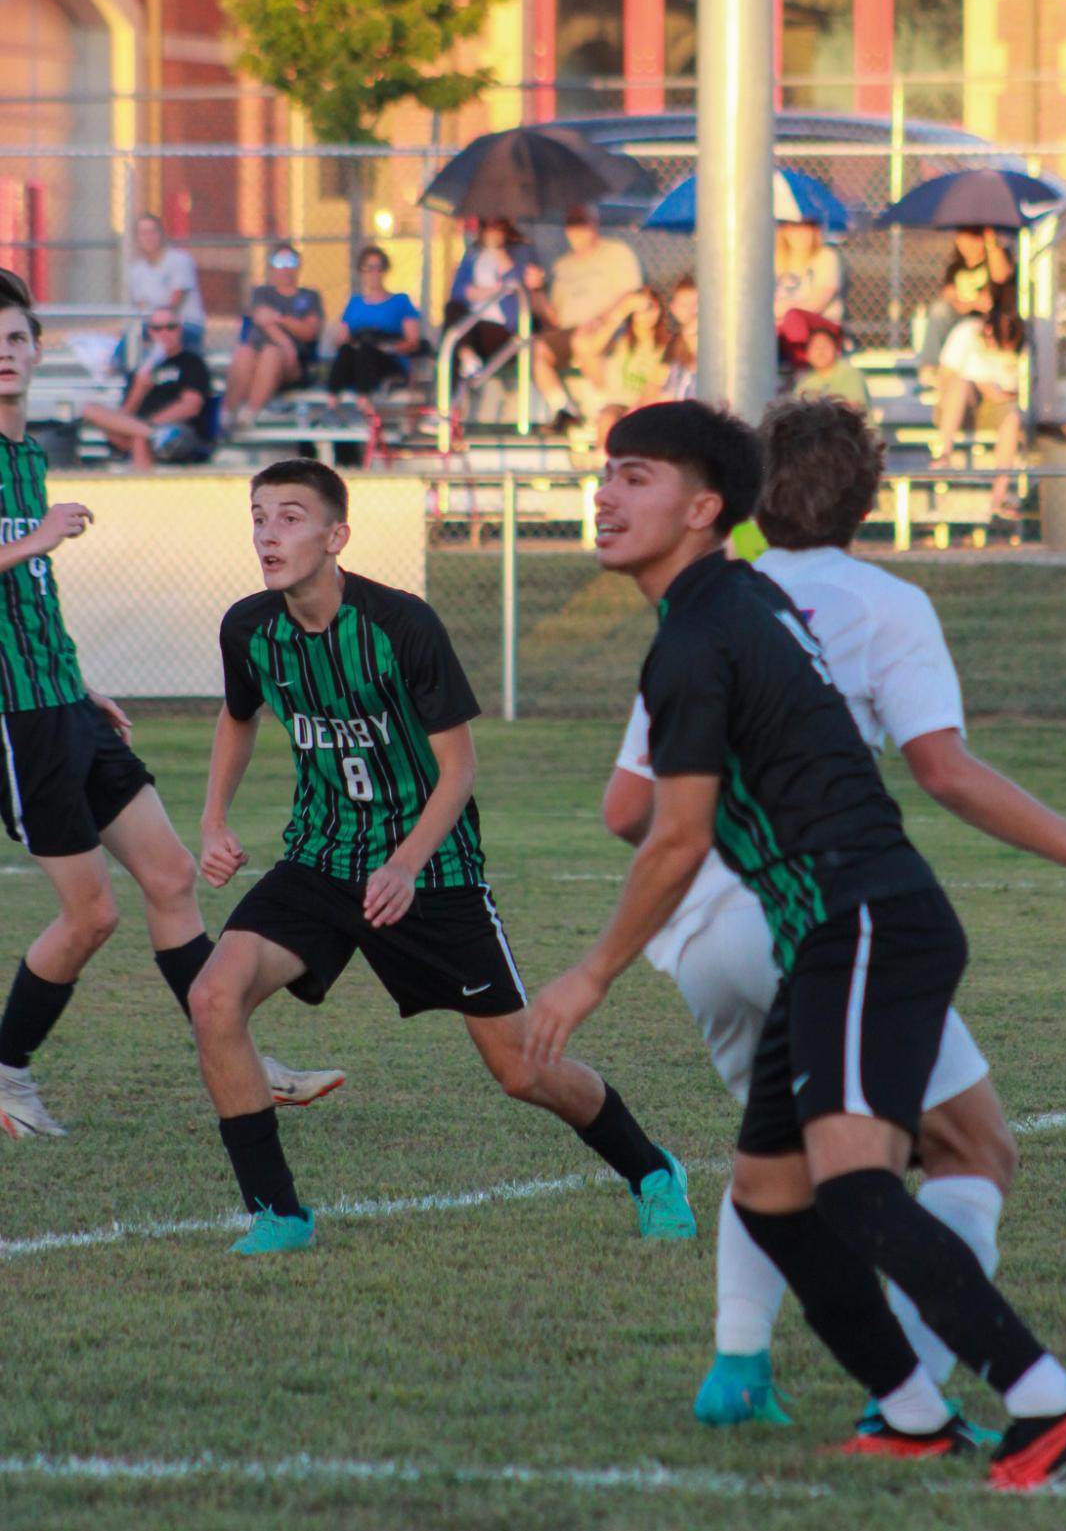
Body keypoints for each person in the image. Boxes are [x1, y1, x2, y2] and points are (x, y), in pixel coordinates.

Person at [528, 399, 1066, 1492]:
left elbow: (669, 836)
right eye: (604, 474)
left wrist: (587, 973)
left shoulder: (706, 631)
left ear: (706, 509)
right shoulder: (735, 602)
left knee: (855, 1190)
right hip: (822, 933)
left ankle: (1050, 1402)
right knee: (768, 1194)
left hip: (860, 923)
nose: (605, 495)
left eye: (637, 476)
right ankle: (908, 1412)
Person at [187, 458, 696, 1254]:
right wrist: (213, 819)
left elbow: (459, 769)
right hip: (320, 858)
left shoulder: (401, 625)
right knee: (215, 998)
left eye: (289, 516)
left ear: (336, 535)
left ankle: (652, 1168)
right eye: (258, 516)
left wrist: (405, 863)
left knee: (521, 1070)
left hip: (433, 870)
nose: (267, 532)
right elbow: (237, 714)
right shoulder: (249, 628)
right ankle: (278, 1212)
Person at [0, 271, 341, 1142]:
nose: (5, 355)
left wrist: (79, 689)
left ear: (39, 351)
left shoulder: (28, 456)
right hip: (15, 723)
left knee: (170, 875)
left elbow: (28, 600)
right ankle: (6, 1070)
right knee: (93, 912)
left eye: (16, 339)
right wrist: (35, 539)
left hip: (62, 705)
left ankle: (243, 1058)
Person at [531, 204, 643, 431]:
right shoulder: (562, 265)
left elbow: (631, 293)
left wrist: (603, 318)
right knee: (537, 349)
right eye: (570, 224)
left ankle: (609, 409)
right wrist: (536, 290)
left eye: (581, 222)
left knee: (584, 341)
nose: (575, 230)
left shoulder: (616, 252)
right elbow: (554, 316)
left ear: (595, 223)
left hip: (611, 325)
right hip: (571, 330)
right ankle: (563, 410)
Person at [82, 308, 214, 468]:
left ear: (179, 330)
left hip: (178, 430)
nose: (164, 333)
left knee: (139, 437)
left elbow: (190, 406)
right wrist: (139, 389)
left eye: (170, 327)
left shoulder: (192, 363)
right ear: (150, 332)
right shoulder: (142, 368)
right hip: (144, 428)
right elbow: (125, 413)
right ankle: (151, 435)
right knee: (90, 409)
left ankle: (143, 481)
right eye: (157, 328)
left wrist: (150, 424)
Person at [932, 306, 1027, 521]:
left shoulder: (1020, 345)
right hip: (958, 408)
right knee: (960, 384)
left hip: (996, 410)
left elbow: (1018, 388)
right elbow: (945, 377)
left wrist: (1000, 393)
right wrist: (982, 385)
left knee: (1013, 419)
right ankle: (943, 455)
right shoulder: (965, 333)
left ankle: (999, 496)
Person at [221, 242, 325, 432]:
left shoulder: (309, 296)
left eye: (290, 262)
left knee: (272, 353)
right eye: (279, 262)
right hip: (261, 357)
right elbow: (260, 317)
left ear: (298, 265)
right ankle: (228, 414)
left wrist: (279, 318)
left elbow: (310, 331)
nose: (285, 268)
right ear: (271, 267)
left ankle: (249, 415)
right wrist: (285, 341)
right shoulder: (262, 293)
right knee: (245, 351)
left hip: (294, 364)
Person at [325, 245, 422, 412]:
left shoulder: (400, 301)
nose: (375, 273)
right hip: (360, 357)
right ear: (362, 272)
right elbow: (342, 339)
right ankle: (332, 400)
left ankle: (364, 399)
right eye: (369, 268)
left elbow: (413, 341)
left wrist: (389, 348)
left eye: (379, 268)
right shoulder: (354, 303)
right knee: (349, 350)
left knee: (367, 351)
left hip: (386, 358)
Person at [443, 219, 540, 383]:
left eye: (498, 226)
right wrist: (488, 292)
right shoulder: (473, 253)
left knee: (457, 339)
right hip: (474, 320)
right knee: (452, 314)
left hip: (503, 326)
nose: (493, 231)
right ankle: (467, 358)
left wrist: (499, 249)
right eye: (489, 226)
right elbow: (458, 291)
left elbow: (514, 284)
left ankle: (466, 363)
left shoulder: (521, 250)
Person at [916, 228, 1014, 384]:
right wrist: (973, 303)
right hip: (959, 319)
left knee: (966, 331)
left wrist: (992, 244)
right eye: (962, 239)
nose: (968, 245)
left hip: (988, 322)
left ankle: (945, 378)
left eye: (973, 239)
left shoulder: (994, 261)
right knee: (940, 311)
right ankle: (930, 368)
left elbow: (1001, 276)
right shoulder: (955, 268)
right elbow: (950, 298)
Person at [127, 214, 206, 357]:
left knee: (151, 341)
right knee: (130, 338)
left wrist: (156, 325)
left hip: (184, 326)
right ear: (137, 239)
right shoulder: (137, 270)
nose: (148, 237)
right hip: (153, 327)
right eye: (143, 233)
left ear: (162, 234)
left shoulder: (180, 260)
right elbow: (142, 306)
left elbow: (174, 303)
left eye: (153, 232)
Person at [774, 220, 844, 371]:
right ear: (784, 231)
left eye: (806, 228)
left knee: (793, 317)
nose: (800, 235)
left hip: (822, 327)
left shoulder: (826, 256)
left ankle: (802, 369)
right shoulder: (777, 259)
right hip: (782, 324)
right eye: (794, 228)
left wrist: (783, 311)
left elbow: (816, 304)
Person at [792, 319, 871, 409]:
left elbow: (854, 406)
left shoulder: (851, 374)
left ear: (836, 350)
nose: (820, 351)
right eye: (815, 347)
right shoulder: (804, 382)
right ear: (807, 354)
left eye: (825, 346)